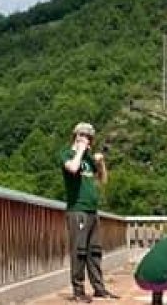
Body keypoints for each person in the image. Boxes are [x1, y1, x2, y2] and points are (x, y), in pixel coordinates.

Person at [61, 122, 119, 302]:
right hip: (77, 210)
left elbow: (103, 180)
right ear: (77, 136)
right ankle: (78, 291)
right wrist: (79, 150)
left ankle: (99, 288)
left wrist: (100, 164)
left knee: (94, 251)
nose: (89, 140)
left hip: (92, 211)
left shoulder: (88, 159)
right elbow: (72, 168)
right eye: (85, 136)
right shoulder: (67, 154)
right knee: (79, 251)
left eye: (90, 137)